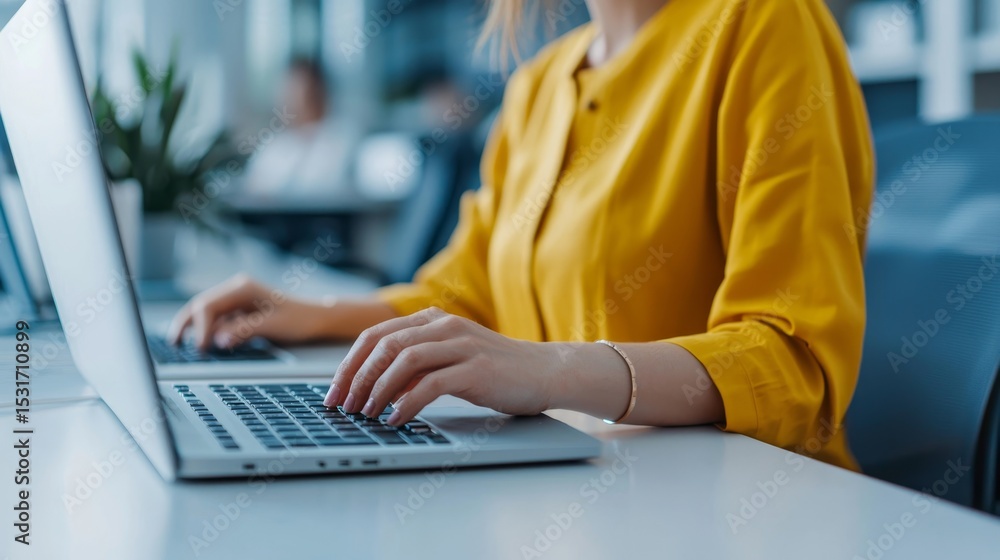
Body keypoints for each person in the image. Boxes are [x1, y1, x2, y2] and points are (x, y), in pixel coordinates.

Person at [170, 0, 874, 469]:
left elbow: (795, 366)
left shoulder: (765, 24)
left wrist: (549, 371)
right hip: (571, 492)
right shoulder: (538, 85)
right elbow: (467, 294)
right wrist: (311, 314)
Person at [239, 58, 358, 202]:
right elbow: (254, 191)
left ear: (317, 93)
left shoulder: (341, 141)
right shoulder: (274, 146)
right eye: (287, 91)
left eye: (296, 91)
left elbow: (325, 192)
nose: (287, 100)